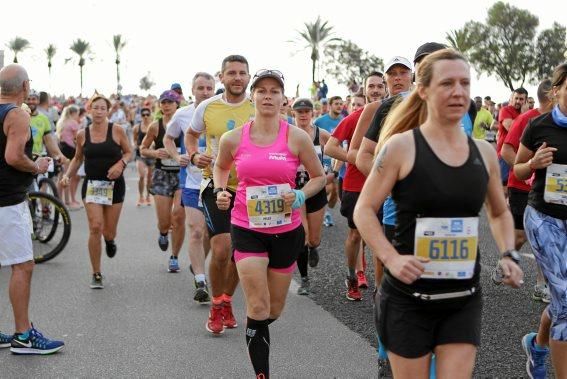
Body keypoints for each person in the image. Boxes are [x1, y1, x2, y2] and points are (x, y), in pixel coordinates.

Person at [354, 49, 523, 378]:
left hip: (463, 297)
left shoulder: (484, 153)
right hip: (408, 298)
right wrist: (391, 258)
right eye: (447, 83)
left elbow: (500, 214)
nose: (458, 92)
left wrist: (508, 252)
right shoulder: (401, 147)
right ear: (423, 90)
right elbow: (364, 209)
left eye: (465, 83)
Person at [214, 69, 325, 378]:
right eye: (261, 90)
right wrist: (221, 190)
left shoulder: (297, 137)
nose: (267, 95)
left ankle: (255, 328)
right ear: (252, 96)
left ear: (283, 99)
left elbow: (319, 177)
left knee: (272, 311)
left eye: (273, 91)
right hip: (247, 229)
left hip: (287, 232)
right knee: (259, 307)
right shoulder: (234, 138)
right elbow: (220, 167)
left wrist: (300, 196)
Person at [187, 55, 255, 334]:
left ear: (249, 77)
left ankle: (226, 300)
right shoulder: (207, 106)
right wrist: (194, 155)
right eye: (232, 73)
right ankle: (216, 303)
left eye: (242, 73)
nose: (237, 77)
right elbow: (191, 135)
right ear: (222, 77)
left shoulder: (258, 106)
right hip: (217, 184)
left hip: (253, 188)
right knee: (221, 248)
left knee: (241, 253)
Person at [0, 64, 64, 354]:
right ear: (25, 87)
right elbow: (13, 156)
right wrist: (35, 165)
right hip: (7, 201)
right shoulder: (18, 115)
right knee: (22, 266)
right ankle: (23, 336)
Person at [514, 63, 567, 379]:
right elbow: (518, 170)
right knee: (565, 302)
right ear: (557, 89)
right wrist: (533, 163)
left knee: (563, 299)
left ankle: (537, 346)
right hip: (544, 218)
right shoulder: (539, 126)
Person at [325, 71, 387, 300]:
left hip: (384, 185)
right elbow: (330, 148)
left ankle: (381, 290)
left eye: (380, 86)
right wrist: (360, 158)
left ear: (385, 88)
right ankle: (351, 276)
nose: (376, 90)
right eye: (371, 86)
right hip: (355, 184)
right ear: (365, 89)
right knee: (355, 234)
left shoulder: (395, 115)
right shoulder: (356, 117)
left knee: (381, 236)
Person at [61, 93, 132, 289]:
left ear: (108, 111)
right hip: (92, 185)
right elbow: (77, 158)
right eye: (96, 107)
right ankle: (96, 273)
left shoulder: (117, 130)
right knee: (95, 227)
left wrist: (121, 164)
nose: (99, 111)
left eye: (103, 108)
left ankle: (110, 241)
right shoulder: (82, 134)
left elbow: (129, 152)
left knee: (109, 231)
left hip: (115, 185)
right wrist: (67, 174)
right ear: (89, 109)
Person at [164, 72, 215, 303]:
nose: (205, 92)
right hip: (192, 182)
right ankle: (201, 281)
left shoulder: (221, 111)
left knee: (210, 233)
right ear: (192, 91)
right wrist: (177, 156)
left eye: (209, 88)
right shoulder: (182, 114)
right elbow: (168, 138)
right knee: (196, 229)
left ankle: (199, 265)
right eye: (201, 88)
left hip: (219, 182)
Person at [501, 79, 553, 304]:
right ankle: (506, 261)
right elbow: (506, 150)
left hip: (549, 189)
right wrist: (526, 169)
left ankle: (542, 285)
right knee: (521, 235)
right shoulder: (526, 119)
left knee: (547, 236)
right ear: (552, 96)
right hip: (520, 185)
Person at [140, 90, 185, 272]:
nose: (166, 106)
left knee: (179, 216)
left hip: (183, 174)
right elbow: (142, 148)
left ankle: (174, 256)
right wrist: (155, 152)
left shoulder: (187, 125)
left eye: (170, 102)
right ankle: (163, 232)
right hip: (162, 174)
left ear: (177, 105)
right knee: (164, 220)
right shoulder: (155, 126)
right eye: (163, 102)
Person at [291, 98, 331, 295]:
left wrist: (331, 172)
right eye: (300, 112)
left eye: (307, 111)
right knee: (302, 236)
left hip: (316, 189)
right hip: (296, 191)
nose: (303, 115)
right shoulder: (287, 135)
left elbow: (337, 149)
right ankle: (304, 279)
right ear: (294, 114)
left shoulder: (320, 134)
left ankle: (314, 248)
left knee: (314, 239)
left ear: (312, 113)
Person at [496, 87, 528, 190]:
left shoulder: (528, 113)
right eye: (516, 98)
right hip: (505, 154)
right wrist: (524, 115)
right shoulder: (505, 110)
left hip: (520, 155)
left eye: (521, 99)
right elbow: (510, 127)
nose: (518, 101)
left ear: (526, 101)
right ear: (512, 98)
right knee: (501, 186)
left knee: (515, 187)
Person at [56, 105, 81, 209]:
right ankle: (67, 202)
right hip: (70, 150)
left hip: (61, 149)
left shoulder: (61, 122)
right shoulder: (73, 123)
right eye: (77, 114)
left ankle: (58, 200)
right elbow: (77, 139)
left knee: (61, 176)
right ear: (73, 113)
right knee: (67, 176)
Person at [132, 107, 154, 206]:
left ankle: (148, 196)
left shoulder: (153, 127)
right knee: (141, 176)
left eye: (147, 114)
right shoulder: (137, 127)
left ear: (150, 115)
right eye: (143, 115)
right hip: (140, 154)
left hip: (151, 154)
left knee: (149, 177)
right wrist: (137, 146)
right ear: (141, 116)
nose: (145, 116)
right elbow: (134, 140)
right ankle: (141, 196)